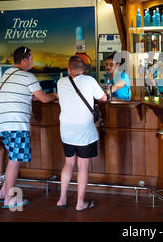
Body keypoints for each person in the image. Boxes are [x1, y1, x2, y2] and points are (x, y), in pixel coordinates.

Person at [0, 46, 58, 209]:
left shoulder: (7, 74)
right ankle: (10, 200)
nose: (32, 61)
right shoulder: (28, 76)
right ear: (24, 60)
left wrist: (31, 96)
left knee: (12, 158)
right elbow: (44, 98)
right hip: (17, 124)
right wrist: (57, 95)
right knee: (15, 161)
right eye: (30, 58)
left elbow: (18, 93)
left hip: (2, 123)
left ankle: (3, 191)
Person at [56, 56, 106, 211]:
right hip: (84, 129)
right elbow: (103, 98)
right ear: (83, 69)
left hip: (66, 129)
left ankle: (62, 199)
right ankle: (80, 203)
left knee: (69, 163)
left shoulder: (60, 82)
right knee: (82, 166)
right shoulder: (89, 80)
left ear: (69, 69)